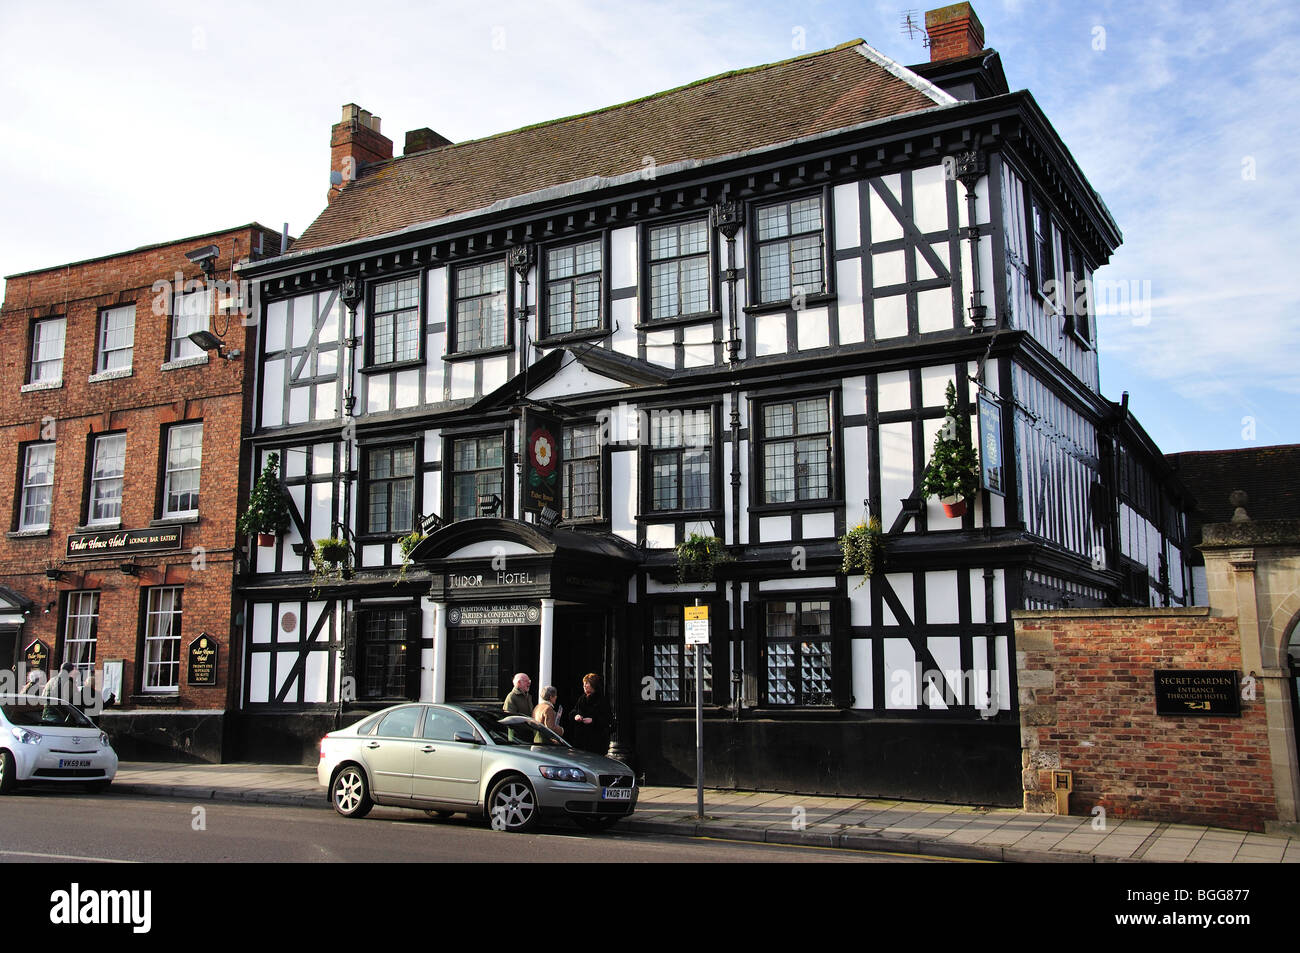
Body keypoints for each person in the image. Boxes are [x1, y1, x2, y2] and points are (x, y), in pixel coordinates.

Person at [569, 673, 612, 755]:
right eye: (584, 684)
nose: (584, 686)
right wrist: (576, 716)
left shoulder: (601, 700)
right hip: (581, 741)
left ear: (593, 685)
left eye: (586, 684)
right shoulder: (582, 699)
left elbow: (607, 719)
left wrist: (593, 720)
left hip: (595, 741)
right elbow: (573, 712)